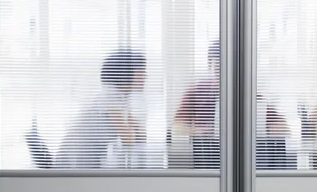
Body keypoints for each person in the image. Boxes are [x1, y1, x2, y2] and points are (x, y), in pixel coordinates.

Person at [174, 40, 289, 168]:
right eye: (219, 67)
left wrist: (266, 131)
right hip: (208, 157)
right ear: (210, 66)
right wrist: (199, 132)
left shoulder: (250, 95)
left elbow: (283, 128)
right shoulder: (196, 92)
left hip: (242, 158)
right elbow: (177, 128)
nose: (224, 74)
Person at [26, 50, 147, 169]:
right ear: (125, 72)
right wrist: (132, 130)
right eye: (140, 71)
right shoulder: (110, 95)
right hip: (77, 160)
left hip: (87, 159)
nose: (145, 76)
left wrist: (133, 129)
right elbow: (129, 138)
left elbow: (139, 134)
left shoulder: (122, 96)